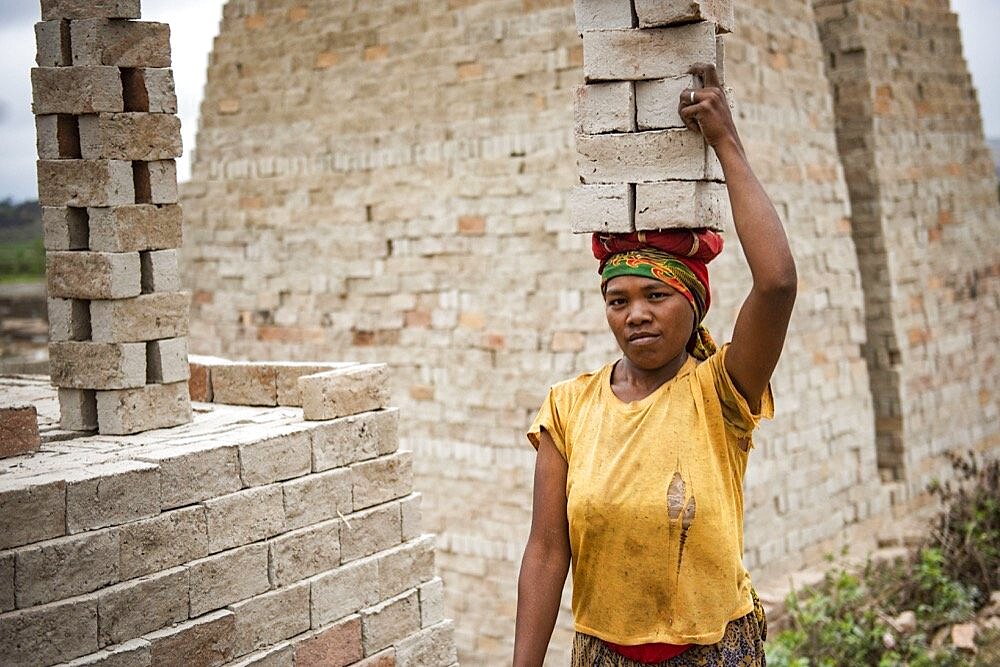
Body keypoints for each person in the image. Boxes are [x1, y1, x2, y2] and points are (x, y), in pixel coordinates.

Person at [513, 62, 797, 666]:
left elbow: (776, 284)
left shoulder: (721, 392)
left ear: (693, 304)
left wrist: (725, 141)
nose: (635, 315)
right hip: (602, 656)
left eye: (656, 296)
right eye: (619, 301)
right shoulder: (568, 407)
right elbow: (545, 552)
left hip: (715, 653)